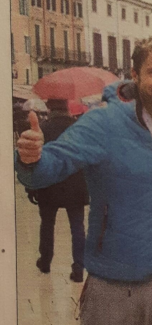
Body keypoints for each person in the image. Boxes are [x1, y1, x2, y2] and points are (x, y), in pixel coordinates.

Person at [15, 35, 152, 325]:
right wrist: (31, 157)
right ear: (135, 74)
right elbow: (50, 166)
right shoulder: (104, 122)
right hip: (112, 287)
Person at [27, 99, 89, 282]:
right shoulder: (80, 128)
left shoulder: (42, 129)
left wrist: (31, 186)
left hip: (49, 183)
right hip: (75, 184)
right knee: (77, 227)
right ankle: (78, 268)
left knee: (47, 224)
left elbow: (33, 161)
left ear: (49, 107)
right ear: (68, 107)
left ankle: (45, 261)